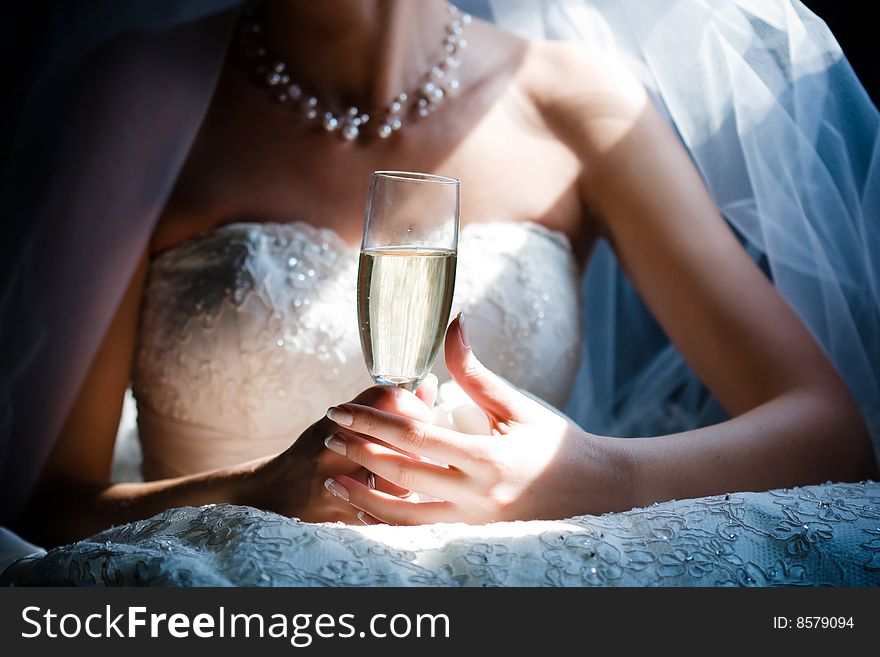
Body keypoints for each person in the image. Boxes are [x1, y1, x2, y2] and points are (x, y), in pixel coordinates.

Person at [3, 0, 878, 546]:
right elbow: (45, 503)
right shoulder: (135, 96)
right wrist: (252, 492)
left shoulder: (576, 102)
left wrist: (600, 477)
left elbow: (829, 433)